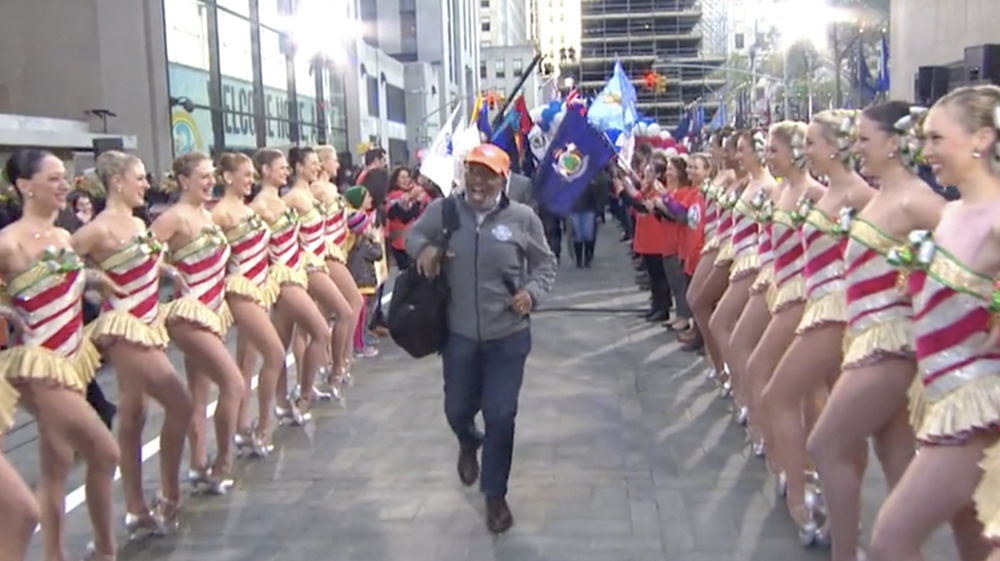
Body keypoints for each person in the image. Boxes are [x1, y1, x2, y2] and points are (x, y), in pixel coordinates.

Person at [405, 143, 557, 534]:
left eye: (487, 174)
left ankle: (495, 496)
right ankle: (468, 441)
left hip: (508, 337)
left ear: (503, 180)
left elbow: (545, 264)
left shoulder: (522, 218)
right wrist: (426, 250)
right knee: (457, 410)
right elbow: (411, 237)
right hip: (459, 337)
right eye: (473, 171)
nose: (478, 180)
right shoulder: (446, 211)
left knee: (501, 416)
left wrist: (532, 293)